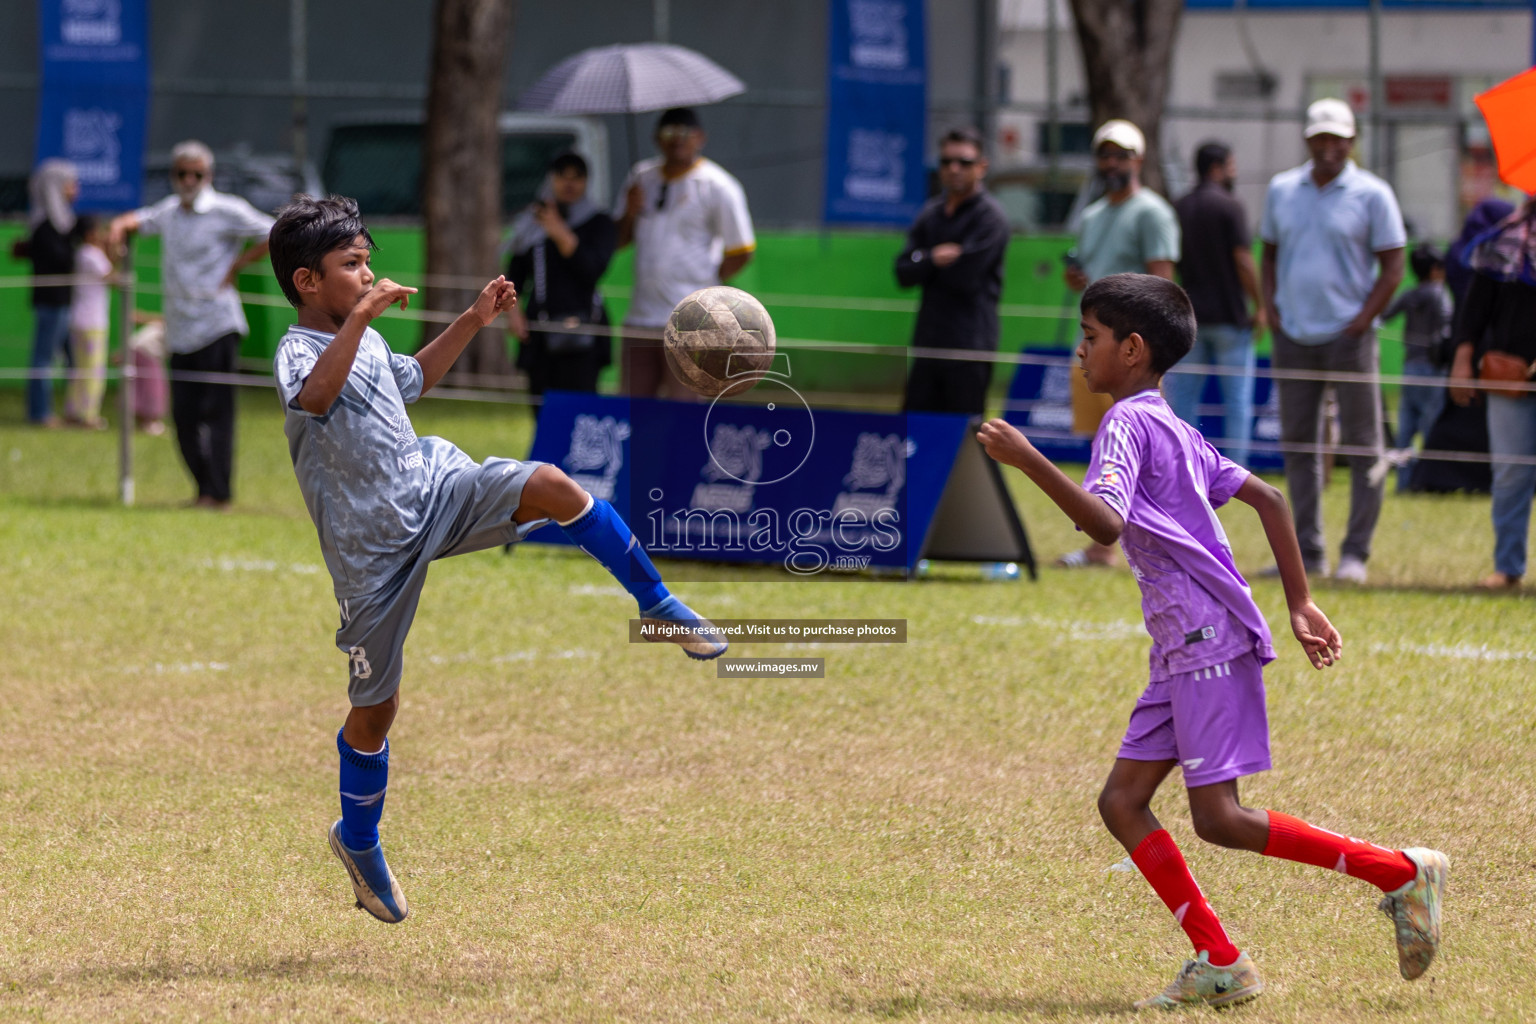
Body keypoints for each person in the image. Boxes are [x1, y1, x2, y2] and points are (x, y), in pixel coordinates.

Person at [976, 273, 1447, 1011]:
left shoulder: (1128, 425)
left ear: (1132, 349)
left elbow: (1104, 523)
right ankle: (1220, 960)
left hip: (1203, 638)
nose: (1079, 351)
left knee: (1219, 817)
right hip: (1183, 644)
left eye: (1092, 338)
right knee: (1123, 801)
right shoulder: (1174, 425)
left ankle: (1397, 872)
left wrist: (1028, 457)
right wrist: (1299, 600)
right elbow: (1267, 497)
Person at [266, 195, 729, 924]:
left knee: (550, 484)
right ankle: (357, 842)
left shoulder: (368, 342)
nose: (365, 275)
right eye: (349, 266)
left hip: (435, 488)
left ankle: (660, 604)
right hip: (371, 556)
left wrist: (475, 320)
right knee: (376, 710)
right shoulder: (298, 349)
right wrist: (360, 320)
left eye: (366, 262)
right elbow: (316, 399)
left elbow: (411, 380)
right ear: (306, 282)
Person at [1261, 99, 1406, 584]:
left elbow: (1394, 266)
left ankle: (1355, 555)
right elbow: (1268, 255)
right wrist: (1271, 307)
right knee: (1299, 447)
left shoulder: (1372, 193)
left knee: (1365, 448)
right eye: (1320, 138)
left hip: (1351, 338)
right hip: (1293, 335)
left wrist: (1364, 319)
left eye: (1337, 139)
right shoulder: (1282, 189)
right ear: (1307, 140)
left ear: (1352, 141)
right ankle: (1308, 552)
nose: (1328, 148)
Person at [110, 141, 275, 509]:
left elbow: (274, 231)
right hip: (180, 330)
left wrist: (238, 265)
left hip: (218, 324)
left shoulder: (226, 209)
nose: (188, 180)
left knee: (218, 415)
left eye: (196, 174)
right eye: (182, 173)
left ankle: (219, 494)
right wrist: (119, 228)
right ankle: (203, 490)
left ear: (208, 176)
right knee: (183, 418)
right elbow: (136, 220)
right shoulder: (169, 211)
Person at [1059, 119, 1179, 569]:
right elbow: (1092, 281)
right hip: (1093, 347)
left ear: (1138, 160)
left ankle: (1144, 543)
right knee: (1101, 448)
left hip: (1135, 354)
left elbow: (1163, 284)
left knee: (1145, 454)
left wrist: (1149, 351)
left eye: (1120, 154)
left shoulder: (1153, 212)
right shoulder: (1091, 215)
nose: (1111, 163)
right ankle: (1103, 548)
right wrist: (1079, 282)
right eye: (1105, 154)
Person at [614, 107, 756, 398]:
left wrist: (707, 282)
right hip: (641, 317)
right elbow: (618, 241)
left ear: (699, 137)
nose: (676, 140)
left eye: (684, 133)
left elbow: (741, 250)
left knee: (684, 411)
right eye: (668, 133)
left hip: (692, 324)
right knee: (632, 408)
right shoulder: (641, 178)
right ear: (656, 139)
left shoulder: (718, 185)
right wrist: (629, 212)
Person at [1447, 198, 1536, 590]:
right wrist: (1462, 361)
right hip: (1510, 375)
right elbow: (1475, 311)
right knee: (1511, 474)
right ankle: (1508, 567)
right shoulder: (1501, 243)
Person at [893, 127, 1010, 414]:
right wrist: (933, 257)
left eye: (964, 162)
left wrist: (924, 263)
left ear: (982, 167)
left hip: (969, 346)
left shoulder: (990, 218)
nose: (954, 169)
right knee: (914, 432)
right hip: (928, 343)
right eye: (946, 162)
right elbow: (902, 271)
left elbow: (964, 278)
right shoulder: (931, 213)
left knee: (965, 436)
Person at [1165, 142, 1265, 467]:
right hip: (1229, 318)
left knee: (1184, 401)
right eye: (1232, 165)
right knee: (1236, 401)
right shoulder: (1230, 206)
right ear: (1218, 168)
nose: (1234, 172)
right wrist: (1260, 304)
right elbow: (1244, 261)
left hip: (1189, 318)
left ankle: (1185, 468)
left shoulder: (1179, 207)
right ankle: (1236, 470)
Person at [1412, 199, 1515, 495]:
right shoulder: (1496, 254)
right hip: (1493, 347)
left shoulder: (1461, 253)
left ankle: (1436, 477)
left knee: (1456, 414)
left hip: (1464, 345)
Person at [506, 152, 616, 412]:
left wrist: (559, 232)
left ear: (586, 181)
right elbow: (515, 272)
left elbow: (592, 271)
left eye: (577, 178)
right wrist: (513, 313)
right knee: (542, 412)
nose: (569, 184)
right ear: (551, 179)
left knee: (580, 414)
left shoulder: (599, 222)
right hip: (540, 332)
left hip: (585, 331)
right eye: (562, 177)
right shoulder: (534, 222)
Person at [1381, 244, 1451, 492]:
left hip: (1410, 367)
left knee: (1406, 429)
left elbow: (1384, 315)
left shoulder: (1410, 295)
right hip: (1432, 370)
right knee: (1431, 427)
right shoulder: (1440, 294)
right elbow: (1446, 326)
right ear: (1435, 270)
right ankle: (1427, 481)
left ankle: (1403, 482)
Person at [24, 159, 78, 427]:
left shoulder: (63, 224)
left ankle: (77, 410)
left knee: (75, 358)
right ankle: (39, 413)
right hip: (51, 302)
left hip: (64, 301)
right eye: (70, 184)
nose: (74, 189)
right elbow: (62, 260)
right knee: (43, 359)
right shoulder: (45, 227)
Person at [63, 214, 113, 429]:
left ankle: (74, 411)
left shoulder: (81, 253)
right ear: (91, 233)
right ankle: (89, 415)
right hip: (93, 323)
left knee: (78, 370)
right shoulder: (92, 254)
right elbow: (112, 276)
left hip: (78, 320)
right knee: (93, 371)